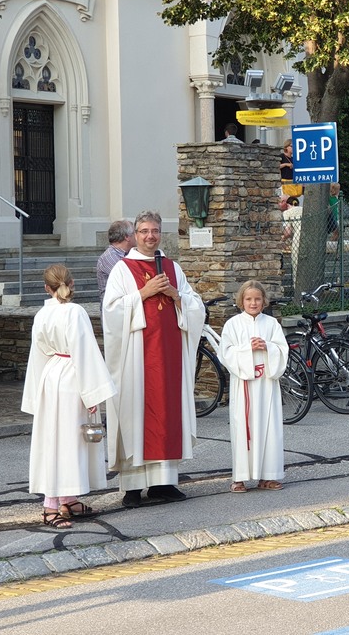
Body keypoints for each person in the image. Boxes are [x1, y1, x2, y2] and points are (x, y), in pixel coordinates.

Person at [103, 210, 206, 508]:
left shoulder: (173, 267)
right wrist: (143, 293)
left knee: (167, 413)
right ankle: (133, 487)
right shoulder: (123, 270)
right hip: (137, 355)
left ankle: (163, 483)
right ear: (135, 234)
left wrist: (176, 296)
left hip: (169, 353)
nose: (150, 236)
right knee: (136, 413)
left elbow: (195, 306)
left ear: (161, 233)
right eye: (144, 231)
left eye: (155, 231)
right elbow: (110, 312)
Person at [22, 264, 117, 529]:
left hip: (51, 377)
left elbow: (37, 355)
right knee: (67, 442)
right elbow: (85, 351)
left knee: (55, 441)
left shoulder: (42, 314)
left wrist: (34, 395)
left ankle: (67, 497)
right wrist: (93, 392)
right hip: (73, 377)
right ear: (72, 284)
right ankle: (51, 504)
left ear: (46, 288)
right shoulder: (75, 312)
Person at [220, 281, 289, 493]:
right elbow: (226, 352)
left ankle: (268, 476)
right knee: (243, 427)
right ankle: (240, 477)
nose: (253, 303)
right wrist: (246, 349)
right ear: (241, 300)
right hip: (245, 384)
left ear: (264, 301)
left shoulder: (271, 324)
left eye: (257, 299)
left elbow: (282, 349)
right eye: (249, 299)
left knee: (269, 427)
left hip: (266, 383)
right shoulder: (233, 324)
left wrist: (268, 347)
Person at [96, 219, 135, 300]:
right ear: (127, 237)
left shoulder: (129, 254)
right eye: (135, 233)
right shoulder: (109, 257)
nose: (137, 236)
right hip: (115, 307)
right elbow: (130, 280)